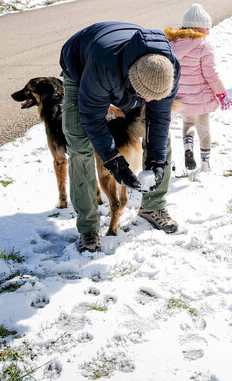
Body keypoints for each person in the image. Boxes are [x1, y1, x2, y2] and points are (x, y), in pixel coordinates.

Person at [60, 22, 181, 252]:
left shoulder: (169, 70)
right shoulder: (103, 67)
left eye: (152, 99)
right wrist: (114, 162)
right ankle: (88, 227)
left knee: (160, 138)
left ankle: (153, 206)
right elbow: (92, 119)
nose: (148, 102)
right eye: (145, 97)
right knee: (80, 145)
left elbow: (159, 118)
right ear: (131, 82)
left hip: (128, 74)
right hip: (81, 68)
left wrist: (156, 162)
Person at [165, 4, 232, 173]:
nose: (208, 32)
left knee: (188, 123)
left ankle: (188, 147)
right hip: (200, 97)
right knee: (203, 128)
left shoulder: (172, 44)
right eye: (206, 28)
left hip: (181, 97)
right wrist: (222, 94)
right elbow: (211, 75)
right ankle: (205, 164)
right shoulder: (203, 47)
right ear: (198, 28)